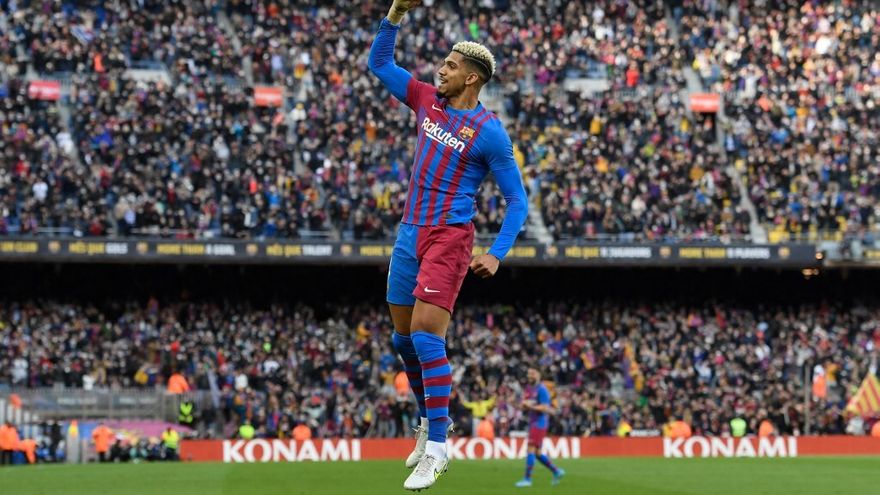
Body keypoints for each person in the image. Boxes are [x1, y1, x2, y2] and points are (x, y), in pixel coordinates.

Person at [369, 0, 529, 490]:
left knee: (425, 336)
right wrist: (395, 13)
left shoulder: (490, 133)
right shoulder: (426, 100)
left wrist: (496, 253)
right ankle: (428, 421)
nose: (441, 69)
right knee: (401, 340)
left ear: (472, 78)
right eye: (443, 63)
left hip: (450, 237)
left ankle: (438, 448)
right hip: (409, 232)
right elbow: (380, 63)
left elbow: (517, 200)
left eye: (451, 65)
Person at [515, 367, 564, 487]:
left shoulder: (542, 389)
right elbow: (526, 405)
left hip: (539, 423)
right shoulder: (529, 388)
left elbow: (545, 407)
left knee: (530, 449)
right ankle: (556, 471)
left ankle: (527, 479)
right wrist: (518, 404)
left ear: (538, 375)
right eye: (528, 373)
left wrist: (530, 406)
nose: (529, 376)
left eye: (532, 373)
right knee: (537, 453)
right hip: (533, 422)